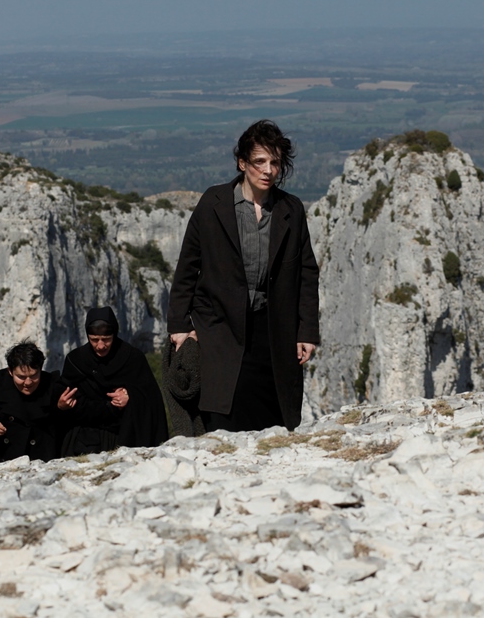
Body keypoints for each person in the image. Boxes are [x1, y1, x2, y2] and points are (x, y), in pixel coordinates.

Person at [167, 119, 320, 432]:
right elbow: (187, 267)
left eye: (275, 163)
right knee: (223, 410)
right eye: (260, 162)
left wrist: (306, 331)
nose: (268, 170)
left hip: (273, 328)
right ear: (242, 162)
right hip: (219, 326)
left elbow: (306, 272)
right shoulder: (214, 203)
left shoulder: (291, 209)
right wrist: (180, 327)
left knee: (273, 415)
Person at [56, 306, 169, 454]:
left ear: (114, 334)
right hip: (83, 438)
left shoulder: (132, 358)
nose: (101, 346)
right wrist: (62, 404)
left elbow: (151, 397)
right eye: (94, 340)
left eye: (106, 339)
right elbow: (68, 398)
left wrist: (130, 396)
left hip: (124, 436)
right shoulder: (76, 360)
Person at [0, 341, 63, 464]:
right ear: (10, 371)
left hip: (39, 457)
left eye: (34, 376)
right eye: (21, 377)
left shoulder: (52, 384)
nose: (28, 383)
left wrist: (62, 408)